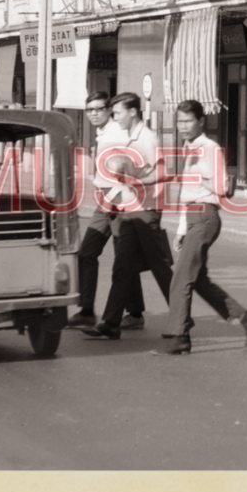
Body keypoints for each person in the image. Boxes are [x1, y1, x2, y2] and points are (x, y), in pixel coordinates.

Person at [153, 100, 247, 356]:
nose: (183, 126)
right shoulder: (188, 147)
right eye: (179, 121)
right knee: (198, 280)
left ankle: (179, 337)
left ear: (201, 121)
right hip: (193, 217)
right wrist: (181, 228)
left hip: (205, 216)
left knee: (180, 279)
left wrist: (201, 175)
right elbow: (187, 192)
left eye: (188, 121)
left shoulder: (210, 148)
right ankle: (245, 317)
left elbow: (223, 188)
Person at [83, 93, 174, 340]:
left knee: (159, 267)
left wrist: (135, 182)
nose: (115, 118)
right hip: (128, 208)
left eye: (118, 113)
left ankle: (181, 318)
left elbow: (165, 172)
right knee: (123, 266)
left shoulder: (147, 137)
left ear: (133, 112)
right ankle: (111, 323)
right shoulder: (128, 138)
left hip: (146, 210)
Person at [69, 93, 148, 331]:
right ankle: (86, 310)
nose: (93, 113)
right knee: (87, 253)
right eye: (89, 110)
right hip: (104, 201)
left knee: (123, 260)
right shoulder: (103, 133)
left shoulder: (116, 133)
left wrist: (114, 198)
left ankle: (134, 313)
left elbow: (126, 169)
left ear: (108, 110)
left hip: (118, 202)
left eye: (98, 109)